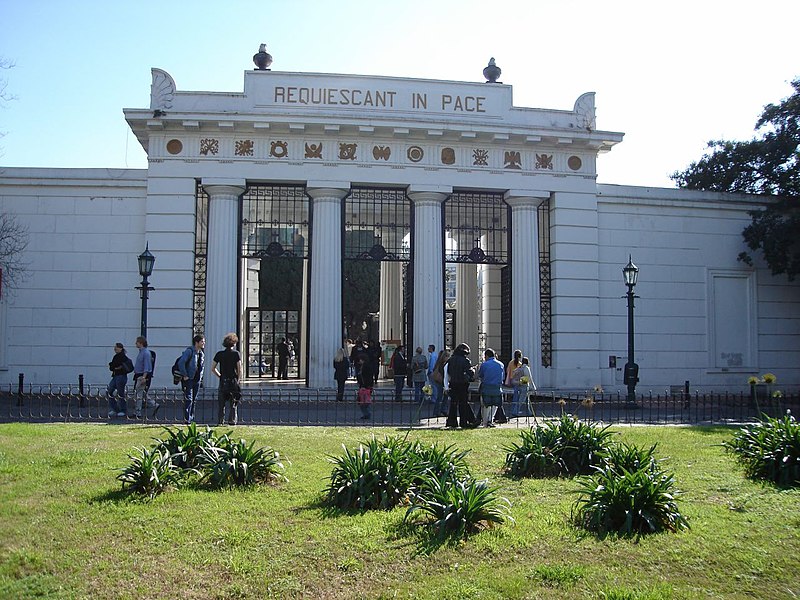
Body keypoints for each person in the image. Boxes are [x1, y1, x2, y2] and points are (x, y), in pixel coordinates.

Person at [211, 332, 242, 426]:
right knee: (233, 403)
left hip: (223, 381)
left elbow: (213, 368)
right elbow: (239, 369)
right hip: (233, 380)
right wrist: (238, 380)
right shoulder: (236, 354)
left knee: (221, 404)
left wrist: (220, 375)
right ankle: (232, 421)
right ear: (234, 343)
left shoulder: (219, 354)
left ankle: (220, 421)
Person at [444, 343, 477, 429]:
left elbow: (447, 372)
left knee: (453, 403)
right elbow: (470, 372)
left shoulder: (451, 360)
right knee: (463, 403)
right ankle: (464, 422)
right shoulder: (465, 361)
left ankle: (452, 421)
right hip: (462, 384)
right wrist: (473, 370)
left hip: (453, 383)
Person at [178, 334, 205, 424]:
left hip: (197, 379)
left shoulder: (201, 353)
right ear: (196, 342)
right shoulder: (189, 351)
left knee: (194, 399)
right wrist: (185, 375)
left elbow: (201, 366)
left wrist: (200, 377)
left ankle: (191, 417)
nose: (203, 343)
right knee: (188, 398)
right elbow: (181, 362)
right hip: (189, 378)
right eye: (202, 341)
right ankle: (187, 418)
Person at [132, 336, 159, 419]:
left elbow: (147, 366)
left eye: (137, 342)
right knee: (141, 393)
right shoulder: (141, 352)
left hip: (142, 376)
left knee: (138, 394)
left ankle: (137, 412)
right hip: (139, 375)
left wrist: (144, 377)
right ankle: (154, 404)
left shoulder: (146, 353)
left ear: (141, 343)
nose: (135, 343)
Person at [477, 348, 505, 427]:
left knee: (485, 405)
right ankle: (490, 420)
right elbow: (503, 377)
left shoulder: (484, 364)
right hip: (497, 387)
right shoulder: (501, 364)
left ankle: (485, 422)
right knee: (495, 405)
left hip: (486, 387)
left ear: (486, 356)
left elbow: (480, 375)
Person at [106, 342, 133, 418]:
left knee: (120, 393)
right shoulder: (116, 356)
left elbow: (114, 365)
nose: (115, 348)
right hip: (115, 376)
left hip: (121, 376)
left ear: (121, 348)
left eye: (116, 347)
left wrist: (115, 366)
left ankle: (123, 410)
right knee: (109, 391)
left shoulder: (122, 357)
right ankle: (116, 409)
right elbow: (112, 367)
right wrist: (114, 366)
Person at [430, 347, 450, 416]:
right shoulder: (442, 364)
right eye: (447, 356)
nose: (448, 358)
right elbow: (444, 374)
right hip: (441, 382)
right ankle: (437, 412)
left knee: (444, 397)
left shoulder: (439, 363)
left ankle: (443, 410)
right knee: (440, 397)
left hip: (440, 381)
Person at [358, 351, 375, 420]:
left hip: (365, 386)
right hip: (365, 385)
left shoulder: (366, 367)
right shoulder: (365, 366)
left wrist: (365, 385)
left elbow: (367, 377)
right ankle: (366, 413)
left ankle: (367, 413)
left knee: (364, 401)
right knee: (364, 401)